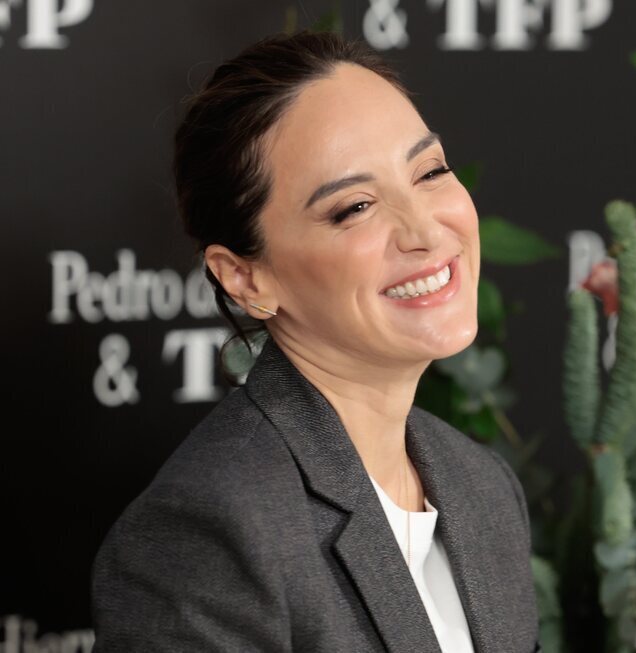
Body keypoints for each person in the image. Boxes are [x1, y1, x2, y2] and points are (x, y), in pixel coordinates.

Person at [90, 30, 539, 653]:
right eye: (354, 207)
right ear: (246, 277)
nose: (425, 231)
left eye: (430, 171)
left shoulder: (479, 484)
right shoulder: (213, 530)